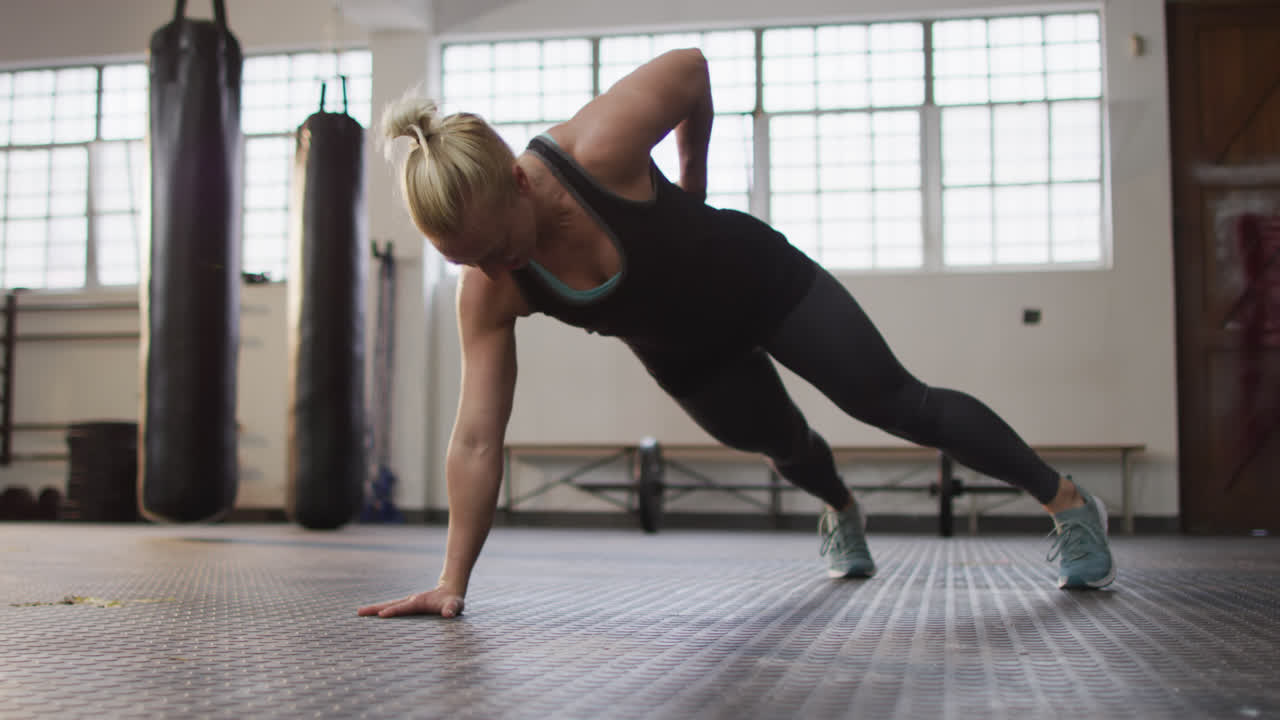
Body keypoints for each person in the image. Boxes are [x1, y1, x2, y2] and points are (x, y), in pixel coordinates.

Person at [357, 48, 1115, 619]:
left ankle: (1069, 504)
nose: (492, 267)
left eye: (498, 245)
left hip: (765, 286)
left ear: (519, 181)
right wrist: (453, 581)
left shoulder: (597, 150)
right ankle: (842, 510)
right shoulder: (489, 291)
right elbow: (476, 440)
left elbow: (690, 69)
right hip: (687, 357)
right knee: (784, 445)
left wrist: (693, 178)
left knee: (899, 405)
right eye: (468, 259)